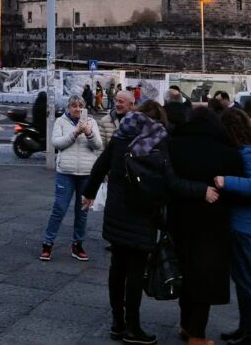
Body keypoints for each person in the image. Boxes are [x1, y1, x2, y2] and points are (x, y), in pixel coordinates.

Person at [83, 102, 168, 345]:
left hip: (117, 210)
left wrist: (89, 193)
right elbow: (167, 175)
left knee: (117, 266)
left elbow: (101, 165)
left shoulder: (121, 136)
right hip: (143, 212)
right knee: (135, 270)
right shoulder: (158, 138)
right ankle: (133, 326)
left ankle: (117, 322)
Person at [164, 105, 243, 343]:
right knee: (205, 276)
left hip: (179, 217)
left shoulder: (174, 144)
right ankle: (197, 333)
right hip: (213, 220)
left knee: (185, 272)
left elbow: (167, 181)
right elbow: (235, 187)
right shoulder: (227, 150)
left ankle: (186, 325)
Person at [215, 109, 251, 345]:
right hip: (245, 221)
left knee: (247, 280)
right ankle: (245, 328)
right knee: (242, 279)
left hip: (244, 223)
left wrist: (225, 181)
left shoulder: (249, 152)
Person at [39, 95, 102, 262]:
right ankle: (47, 243)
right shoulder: (61, 122)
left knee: (82, 212)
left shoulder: (91, 122)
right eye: (74, 105)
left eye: (80, 105)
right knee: (59, 209)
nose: (77, 109)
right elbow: (57, 143)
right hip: (65, 172)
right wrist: (75, 133)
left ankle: (77, 244)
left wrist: (88, 132)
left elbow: (98, 145)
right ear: (68, 107)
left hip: (86, 173)